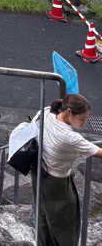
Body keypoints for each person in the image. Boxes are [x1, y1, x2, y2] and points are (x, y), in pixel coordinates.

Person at [34, 93, 102, 246]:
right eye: (82, 119)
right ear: (69, 112)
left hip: (39, 170)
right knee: (67, 224)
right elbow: (98, 152)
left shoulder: (46, 113)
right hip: (57, 181)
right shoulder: (71, 138)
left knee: (43, 216)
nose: (84, 123)